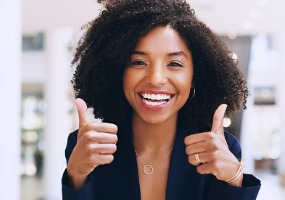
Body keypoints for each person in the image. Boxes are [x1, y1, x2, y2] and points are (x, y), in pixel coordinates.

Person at [62, 0, 261, 199]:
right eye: (139, 62)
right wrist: (76, 175)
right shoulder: (89, 147)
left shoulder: (218, 149)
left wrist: (233, 177)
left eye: (174, 63)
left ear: (195, 76)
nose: (156, 79)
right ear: (118, 71)